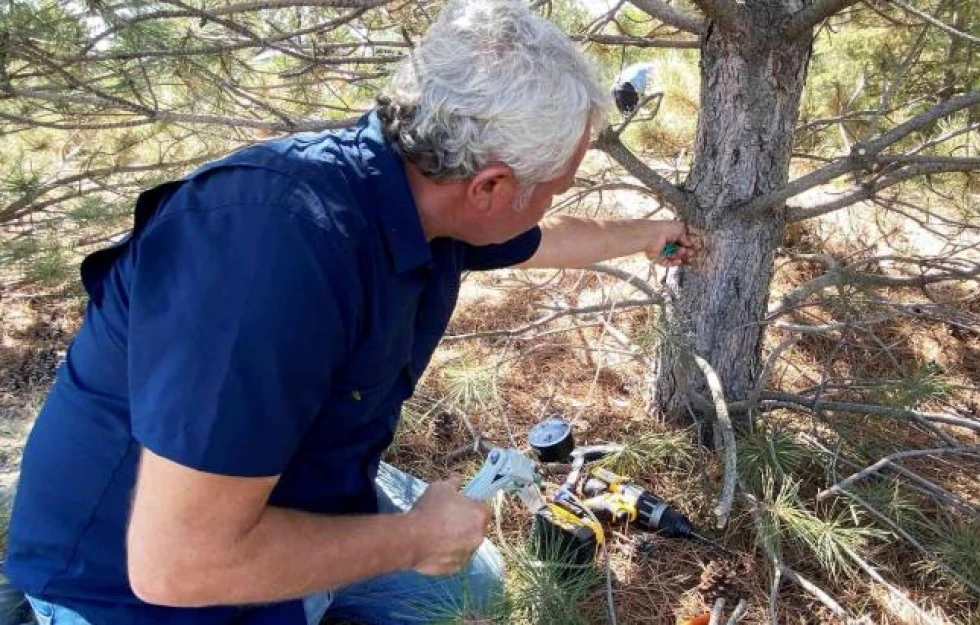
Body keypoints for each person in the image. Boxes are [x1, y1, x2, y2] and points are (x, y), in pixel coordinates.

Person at [3, 1, 695, 623]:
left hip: (287, 490)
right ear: (490, 186)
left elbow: (548, 237)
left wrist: (645, 235)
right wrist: (418, 537)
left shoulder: (426, 198)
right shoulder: (270, 259)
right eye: (553, 187)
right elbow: (177, 565)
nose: (550, 203)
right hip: (133, 589)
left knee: (472, 590)